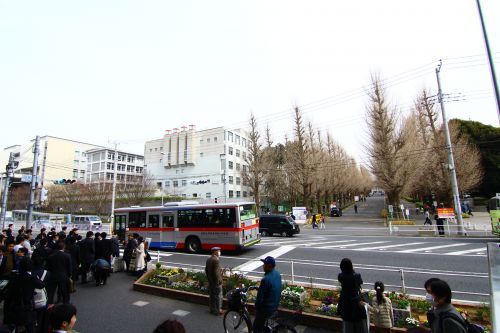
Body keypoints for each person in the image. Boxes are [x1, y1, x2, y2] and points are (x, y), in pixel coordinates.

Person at [3, 257, 44, 333]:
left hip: (15, 304)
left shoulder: (15, 276)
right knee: (30, 326)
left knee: (16, 325)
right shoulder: (32, 277)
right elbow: (41, 285)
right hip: (27, 305)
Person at [337, 258, 368, 333]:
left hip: (345, 300)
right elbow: (360, 282)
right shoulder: (357, 276)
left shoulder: (341, 276)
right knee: (360, 322)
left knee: (347, 323)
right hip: (356, 300)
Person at [254, 256, 282, 333]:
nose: (263, 265)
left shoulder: (265, 279)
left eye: (264, 264)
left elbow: (259, 299)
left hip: (267, 309)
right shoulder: (277, 274)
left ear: (269, 266)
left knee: (256, 327)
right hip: (275, 305)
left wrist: (256, 307)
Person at [205, 247, 223, 316]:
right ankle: (218, 310)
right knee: (218, 295)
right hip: (216, 281)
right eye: (218, 251)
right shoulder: (216, 260)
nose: (219, 252)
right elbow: (216, 272)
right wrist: (219, 281)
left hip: (211, 280)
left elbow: (206, 270)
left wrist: (208, 278)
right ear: (214, 252)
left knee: (212, 295)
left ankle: (212, 309)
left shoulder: (208, 259)